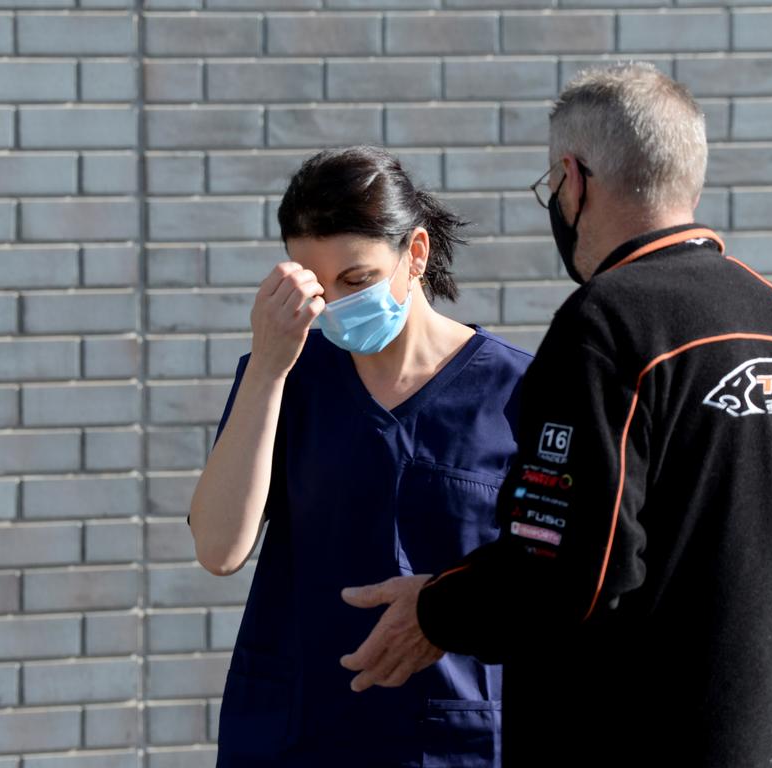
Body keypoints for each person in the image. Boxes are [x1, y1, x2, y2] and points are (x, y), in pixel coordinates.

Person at [340, 63, 772, 767]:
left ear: (572, 179)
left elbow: (570, 563)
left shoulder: (606, 323)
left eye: (552, 187)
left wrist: (436, 610)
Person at [187, 146, 532, 767]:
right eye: (316, 287)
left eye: (358, 281)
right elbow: (218, 548)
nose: (338, 307)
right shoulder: (285, 377)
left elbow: (547, 579)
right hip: (297, 732)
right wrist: (267, 366)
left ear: (415, 255)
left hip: (452, 739)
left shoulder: (518, 392)